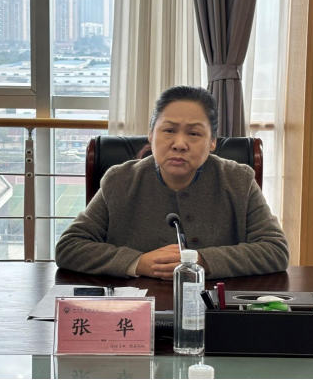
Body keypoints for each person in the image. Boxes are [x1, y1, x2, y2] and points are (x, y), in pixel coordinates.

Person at [56, 86, 289, 280]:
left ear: (212, 142)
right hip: (137, 308)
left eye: (194, 134)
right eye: (169, 130)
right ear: (151, 135)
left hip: (212, 307)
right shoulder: (120, 180)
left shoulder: (238, 179)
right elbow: (69, 247)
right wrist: (139, 263)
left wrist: (199, 260)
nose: (179, 144)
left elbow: (275, 250)